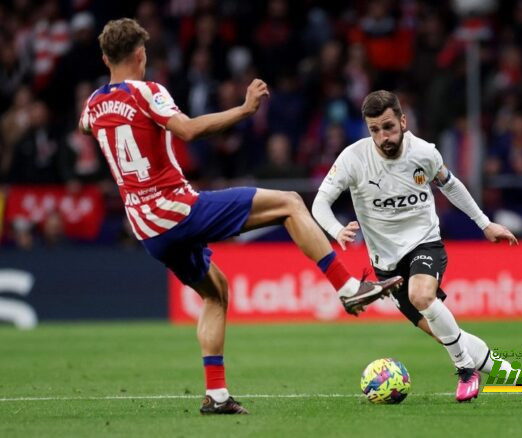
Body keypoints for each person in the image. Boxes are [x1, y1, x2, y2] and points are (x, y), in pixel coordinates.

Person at [79, 19, 403, 415]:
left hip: (147, 230)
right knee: (288, 203)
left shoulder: (94, 104)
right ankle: (347, 286)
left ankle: (216, 396)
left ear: (104, 58)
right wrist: (245, 109)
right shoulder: (147, 92)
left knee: (216, 292)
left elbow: (86, 126)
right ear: (140, 55)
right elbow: (188, 130)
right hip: (177, 209)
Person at [311, 90, 522, 403]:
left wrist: (485, 224)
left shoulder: (423, 152)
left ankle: (465, 370)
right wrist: (336, 229)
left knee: (421, 295)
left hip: (425, 242)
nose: (383, 136)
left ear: (403, 121)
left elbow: (450, 184)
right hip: (387, 266)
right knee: (449, 335)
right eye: (375, 130)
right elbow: (319, 203)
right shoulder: (353, 159)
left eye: (388, 127)